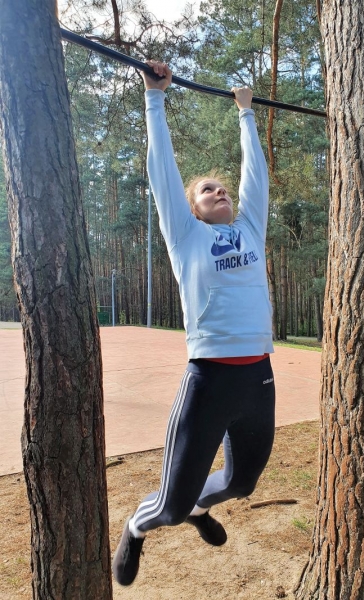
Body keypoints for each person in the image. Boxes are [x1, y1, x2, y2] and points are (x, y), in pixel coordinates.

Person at [112, 60, 276, 587]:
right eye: (208, 190)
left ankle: (202, 509)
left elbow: (256, 177)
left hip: (258, 376)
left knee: (242, 483)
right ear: (193, 208)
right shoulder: (185, 237)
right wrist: (154, 98)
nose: (220, 192)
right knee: (171, 506)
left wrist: (246, 113)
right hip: (209, 379)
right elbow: (163, 172)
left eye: (222, 189)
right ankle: (135, 528)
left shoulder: (251, 228)